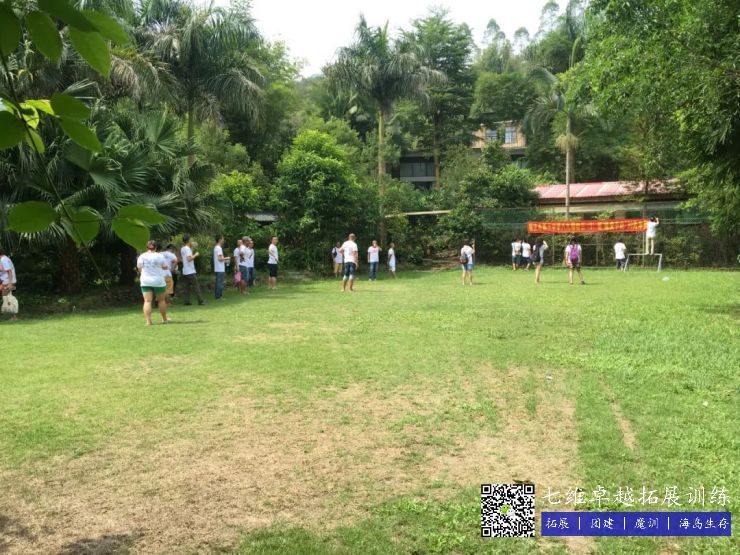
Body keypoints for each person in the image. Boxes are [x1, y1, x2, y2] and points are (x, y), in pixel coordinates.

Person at [137, 240, 170, 325]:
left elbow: (139, 268)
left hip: (146, 280)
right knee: (161, 300)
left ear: (147, 247)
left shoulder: (142, 256)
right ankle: (164, 319)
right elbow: (164, 266)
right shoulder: (160, 256)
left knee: (147, 301)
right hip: (158, 281)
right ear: (156, 247)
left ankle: (148, 321)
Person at [180, 234, 204, 306]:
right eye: (191, 240)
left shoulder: (183, 248)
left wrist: (192, 247)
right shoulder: (187, 249)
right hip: (190, 271)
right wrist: (196, 255)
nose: (192, 241)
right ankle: (200, 301)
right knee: (196, 286)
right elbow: (189, 259)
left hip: (185, 271)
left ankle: (186, 301)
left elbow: (187, 256)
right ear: (188, 240)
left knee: (186, 287)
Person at [0, 249, 18, 321]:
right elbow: (3, 270)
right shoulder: (3, 259)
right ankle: (12, 316)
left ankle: (14, 316)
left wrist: (10, 284)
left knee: (7, 298)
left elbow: (9, 271)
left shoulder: (3, 259)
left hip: (8, 281)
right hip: (5, 281)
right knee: (6, 298)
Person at [213, 234, 228, 299]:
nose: (223, 240)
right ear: (219, 240)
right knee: (220, 283)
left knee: (218, 282)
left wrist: (225, 260)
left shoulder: (216, 247)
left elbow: (220, 258)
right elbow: (219, 259)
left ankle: (218, 296)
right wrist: (226, 258)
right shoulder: (219, 248)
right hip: (220, 268)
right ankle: (219, 296)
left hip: (218, 268)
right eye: (222, 239)